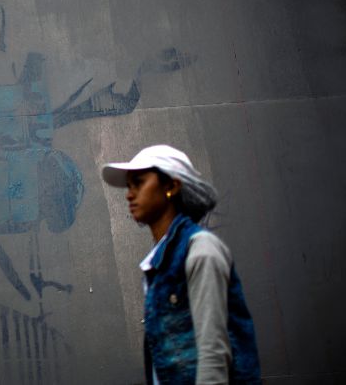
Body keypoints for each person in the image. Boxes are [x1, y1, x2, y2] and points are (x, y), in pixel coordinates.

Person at [101, 144, 261, 384]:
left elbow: (213, 355)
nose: (129, 194)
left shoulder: (200, 251)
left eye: (139, 183)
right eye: (129, 185)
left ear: (171, 186)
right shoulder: (160, 263)